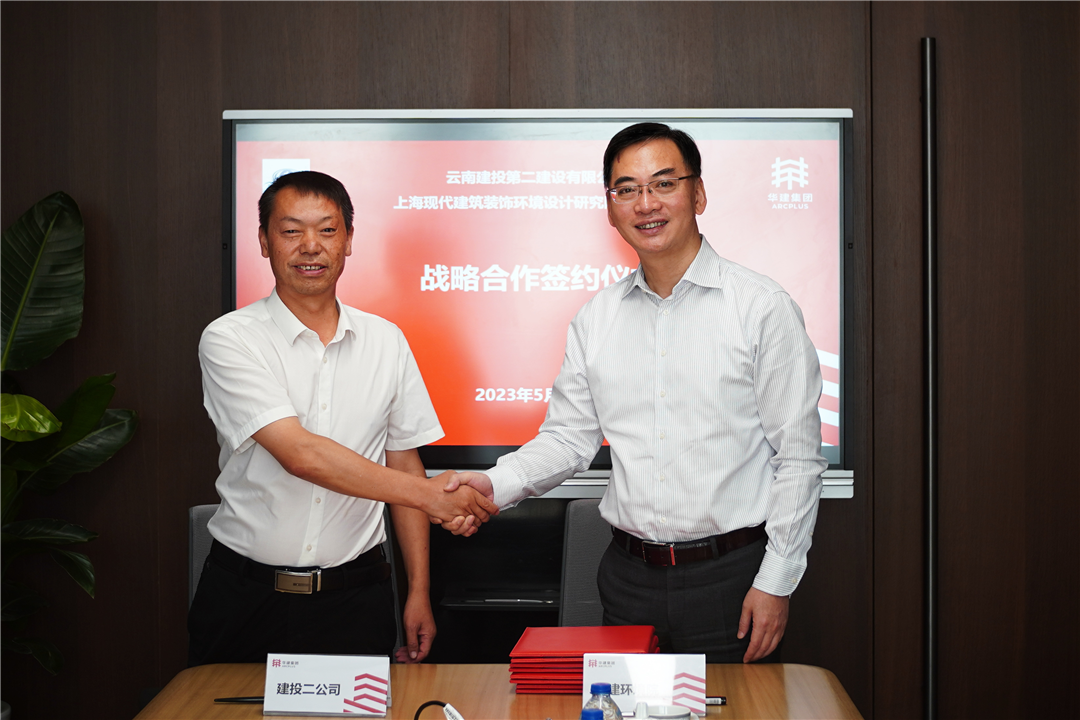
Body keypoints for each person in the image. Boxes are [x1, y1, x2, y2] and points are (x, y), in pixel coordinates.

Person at [446, 123, 826, 663]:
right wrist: (490, 484)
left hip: (733, 581)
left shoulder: (762, 308)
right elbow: (568, 440)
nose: (646, 204)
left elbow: (798, 459)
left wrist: (777, 580)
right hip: (627, 580)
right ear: (610, 208)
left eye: (664, 183)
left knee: (738, 706)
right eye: (626, 189)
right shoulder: (596, 319)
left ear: (698, 194)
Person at [189, 171, 495, 666]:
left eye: (327, 230)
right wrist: (435, 497)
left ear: (349, 240)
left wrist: (417, 591)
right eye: (291, 231)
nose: (311, 246)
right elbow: (301, 454)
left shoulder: (386, 341)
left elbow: (404, 462)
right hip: (245, 596)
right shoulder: (230, 338)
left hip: (356, 599)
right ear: (264, 241)